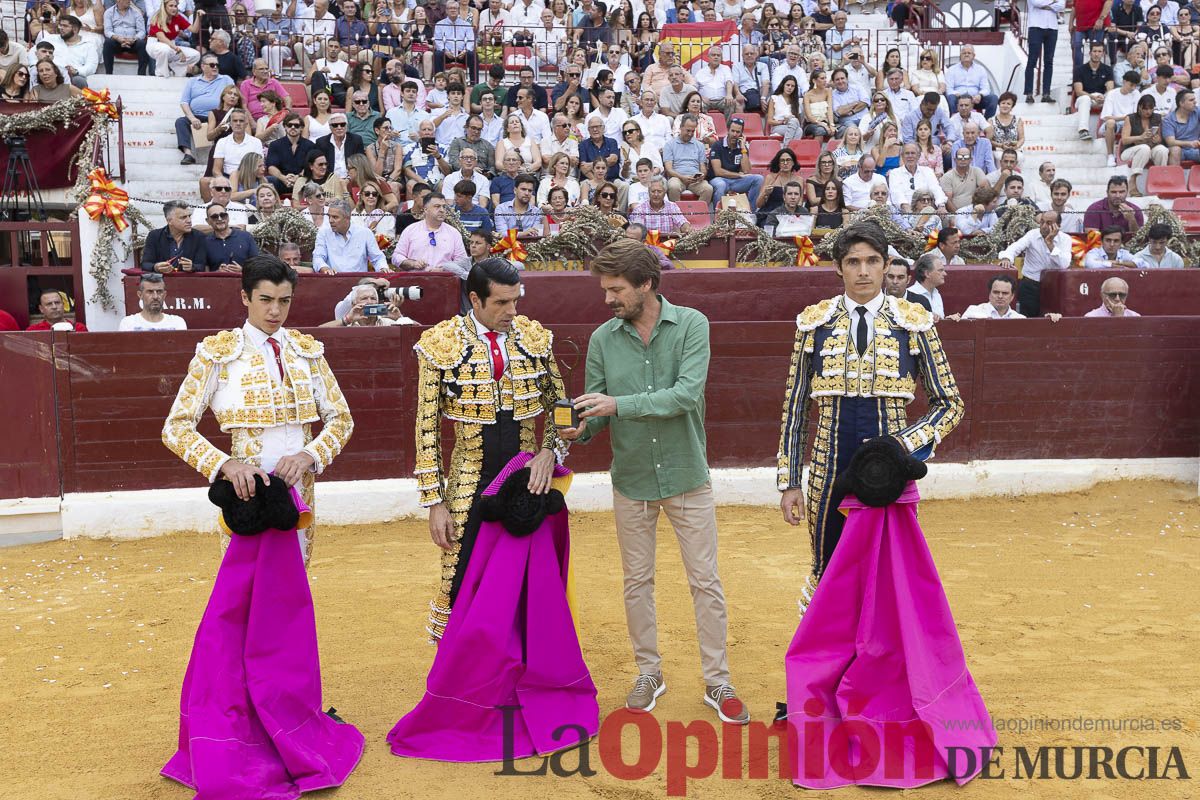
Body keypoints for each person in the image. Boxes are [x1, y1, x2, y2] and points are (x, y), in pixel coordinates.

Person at [160, 255, 361, 797]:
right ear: (245, 297)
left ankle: (286, 713)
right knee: (242, 608)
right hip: (246, 505)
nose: (276, 311)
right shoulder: (218, 353)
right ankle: (247, 717)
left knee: (287, 606)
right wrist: (224, 463)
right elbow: (175, 427)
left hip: (298, 499)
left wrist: (311, 454)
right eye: (266, 300)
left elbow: (341, 419)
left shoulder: (306, 351)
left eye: (285, 301)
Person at [556, 238, 749, 725]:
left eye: (617, 289)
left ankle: (718, 680)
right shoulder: (602, 339)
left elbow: (684, 396)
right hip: (633, 477)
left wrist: (616, 406)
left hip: (686, 472)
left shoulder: (691, 325)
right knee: (636, 582)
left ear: (646, 284)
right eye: (605, 289)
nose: (608, 299)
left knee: (705, 581)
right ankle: (649, 671)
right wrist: (581, 429)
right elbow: (598, 414)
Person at [777, 220, 963, 601]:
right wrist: (790, 481)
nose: (863, 271)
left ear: (885, 265)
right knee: (826, 566)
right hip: (828, 466)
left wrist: (902, 447)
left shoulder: (914, 322)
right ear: (839, 267)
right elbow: (794, 409)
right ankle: (833, 660)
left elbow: (950, 404)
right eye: (853, 262)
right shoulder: (814, 324)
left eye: (872, 261)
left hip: (890, 470)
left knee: (888, 571)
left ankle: (880, 658)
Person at [410, 258, 568, 642]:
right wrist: (435, 501)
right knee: (459, 576)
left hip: (527, 479)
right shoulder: (441, 344)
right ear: (475, 300)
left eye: (516, 301)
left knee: (529, 578)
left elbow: (562, 408)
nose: (512, 312)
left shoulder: (534, 338)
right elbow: (426, 425)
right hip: (469, 479)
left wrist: (551, 452)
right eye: (501, 303)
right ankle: (458, 675)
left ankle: (522, 671)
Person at [998, 209, 1073, 317]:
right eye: (1042, 222)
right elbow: (1015, 248)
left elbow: (1064, 264)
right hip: (1030, 285)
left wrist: (1050, 243)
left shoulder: (1065, 239)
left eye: (1048, 223)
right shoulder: (1032, 235)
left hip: (1054, 287)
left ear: (1058, 225)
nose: (1043, 226)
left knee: (1052, 320)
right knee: (1028, 321)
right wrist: (1006, 258)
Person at [176, 56, 235, 166]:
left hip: (219, 115)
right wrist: (192, 118)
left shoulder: (226, 79)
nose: (215, 67)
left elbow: (235, 95)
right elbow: (184, 102)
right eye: (212, 65)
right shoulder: (193, 81)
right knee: (180, 122)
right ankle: (188, 154)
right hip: (198, 116)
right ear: (203, 66)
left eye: (217, 65)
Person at [392, 193, 469, 269]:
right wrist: (412, 263)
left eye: (444, 207)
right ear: (426, 209)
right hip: (415, 279)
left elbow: (463, 262)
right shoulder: (411, 230)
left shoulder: (453, 233)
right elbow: (396, 256)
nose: (442, 210)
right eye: (437, 206)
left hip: (444, 279)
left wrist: (444, 269)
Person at [312, 199, 389, 274]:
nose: (330, 220)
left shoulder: (365, 233)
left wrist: (383, 268)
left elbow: (378, 258)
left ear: (347, 218)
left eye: (335, 217)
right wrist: (325, 268)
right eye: (329, 217)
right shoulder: (323, 233)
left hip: (360, 283)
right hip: (333, 281)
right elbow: (318, 257)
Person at [708, 117, 763, 211]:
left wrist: (743, 148)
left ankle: (751, 213)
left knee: (758, 178)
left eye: (738, 132)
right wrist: (738, 175)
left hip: (736, 181)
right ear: (728, 130)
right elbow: (718, 171)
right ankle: (719, 218)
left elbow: (746, 171)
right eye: (732, 131)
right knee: (720, 185)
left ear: (741, 133)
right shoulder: (717, 145)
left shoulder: (742, 147)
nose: (735, 134)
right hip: (719, 179)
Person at [142, 201, 208, 274]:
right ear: (169, 221)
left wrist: (192, 267)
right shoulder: (154, 236)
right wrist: (156, 267)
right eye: (183, 217)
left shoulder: (199, 237)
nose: (189, 221)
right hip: (161, 281)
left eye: (189, 216)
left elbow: (202, 266)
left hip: (189, 281)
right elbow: (145, 264)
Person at [1121, 95, 1169, 194]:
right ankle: (1132, 181)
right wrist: (1140, 137)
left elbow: (1160, 138)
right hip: (1130, 150)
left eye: (1151, 108)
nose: (1148, 112)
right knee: (1144, 148)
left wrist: (1157, 139)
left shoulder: (1157, 117)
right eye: (1145, 109)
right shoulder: (1130, 118)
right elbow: (1124, 140)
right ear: (1139, 107)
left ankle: (1159, 182)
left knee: (1162, 150)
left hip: (1151, 148)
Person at [663, 113, 714, 206]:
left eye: (692, 131)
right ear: (681, 127)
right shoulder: (670, 145)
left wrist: (702, 175)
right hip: (677, 177)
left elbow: (702, 167)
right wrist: (682, 177)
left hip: (695, 179)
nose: (690, 133)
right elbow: (669, 169)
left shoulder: (699, 145)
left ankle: (697, 215)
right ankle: (677, 216)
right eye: (687, 130)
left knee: (708, 189)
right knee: (673, 186)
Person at [146, 0, 201, 78]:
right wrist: (178, 50)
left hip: (171, 45)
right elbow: (162, 38)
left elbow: (194, 30)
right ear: (164, 7)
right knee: (165, 49)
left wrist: (198, 16)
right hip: (154, 44)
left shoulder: (178, 17)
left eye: (175, 6)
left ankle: (175, 68)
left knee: (196, 55)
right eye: (171, 6)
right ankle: (161, 75)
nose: (174, 8)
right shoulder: (157, 17)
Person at [1072, 42, 1116, 140]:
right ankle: (1083, 130)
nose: (1096, 54)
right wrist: (1092, 97)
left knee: (1111, 96)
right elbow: (1079, 91)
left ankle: (1107, 130)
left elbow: (1110, 89)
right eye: (1094, 51)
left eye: (1099, 51)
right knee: (1084, 99)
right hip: (1085, 99)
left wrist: (1103, 97)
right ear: (1090, 53)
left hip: (1101, 98)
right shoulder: (1079, 70)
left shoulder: (1108, 69)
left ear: (1103, 53)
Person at [888, 143, 948, 213]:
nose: (910, 156)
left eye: (913, 153)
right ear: (902, 156)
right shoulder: (895, 173)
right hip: (904, 213)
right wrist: (906, 207)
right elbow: (896, 193)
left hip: (926, 211)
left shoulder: (927, 171)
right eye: (907, 153)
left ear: (919, 156)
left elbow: (936, 189)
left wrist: (941, 205)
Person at [1100, 71, 1143, 166]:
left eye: (1135, 86)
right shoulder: (1112, 94)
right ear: (1124, 81)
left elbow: (1137, 114)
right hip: (1116, 122)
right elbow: (1106, 116)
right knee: (1110, 123)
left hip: (1130, 123)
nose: (1133, 88)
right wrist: (1124, 118)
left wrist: (1127, 119)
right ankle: (1110, 155)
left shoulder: (1136, 93)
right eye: (1131, 85)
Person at [203, 202, 260, 272]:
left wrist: (242, 271)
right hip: (217, 282)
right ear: (208, 221)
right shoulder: (205, 242)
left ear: (228, 217)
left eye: (223, 215)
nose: (220, 219)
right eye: (214, 216)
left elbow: (257, 266)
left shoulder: (246, 237)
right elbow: (204, 273)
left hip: (243, 281)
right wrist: (217, 273)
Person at [119, 273, 187, 331]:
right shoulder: (128, 323)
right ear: (140, 295)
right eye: (150, 292)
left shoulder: (177, 322)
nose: (155, 296)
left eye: (159, 292)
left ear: (164, 295)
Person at [102, 0, 148, 75]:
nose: (129, 1)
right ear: (118, 0)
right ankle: (109, 74)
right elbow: (107, 31)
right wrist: (117, 38)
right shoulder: (108, 12)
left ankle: (141, 75)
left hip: (132, 42)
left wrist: (134, 39)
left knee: (142, 44)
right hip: (117, 42)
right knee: (108, 43)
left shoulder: (136, 12)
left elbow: (142, 31)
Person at [940, 147, 988, 213]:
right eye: (959, 157)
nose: (963, 159)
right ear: (955, 159)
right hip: (956, 214)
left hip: (976, 212)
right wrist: (959, 215)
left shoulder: (977, 171)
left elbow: (986, 192)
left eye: (966, 157)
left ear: (971, 159)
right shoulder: (947, 176)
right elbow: (948, 201)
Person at [958, 274, 1026, 319]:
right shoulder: (973, 311)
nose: (1000, 296)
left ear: (1012, 297)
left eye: (1005, 293)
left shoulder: (1020, 319)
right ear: (989, 294)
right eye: (996, 292)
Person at [1164, 88, 1200, 164]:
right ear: (1181, 103)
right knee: (1175, 150)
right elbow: (1170, 142)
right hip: (1180, 150)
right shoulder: (1168, 119)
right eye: (1191, 100)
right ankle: (1174, 176)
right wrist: (1189, 143)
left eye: (1194, 99)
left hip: (1196, 150)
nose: (1195, 102)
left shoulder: (1197, 111)